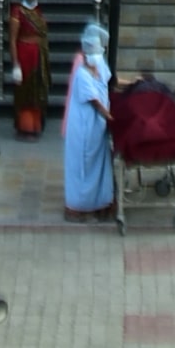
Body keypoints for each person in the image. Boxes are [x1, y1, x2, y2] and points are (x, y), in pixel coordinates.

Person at [63, 24, 116, 220]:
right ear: (86, 55)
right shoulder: (82, 75)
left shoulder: (100, 67)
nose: (97, 56)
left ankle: (100, 203)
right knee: (82, 167)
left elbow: (109, 83)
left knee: (99, 165)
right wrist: (111, 118)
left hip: (98, 128)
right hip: (84, 127)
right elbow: (95, 102)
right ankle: (77, 206)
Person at [7, 0, 50, 137]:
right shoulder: (17, 12)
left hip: (39, 55)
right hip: (24, 54)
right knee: (24, 91)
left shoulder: (38, 11)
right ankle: (24, 125)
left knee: (37, 91)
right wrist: (15, 65)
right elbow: (12, 39)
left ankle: (36, 124)